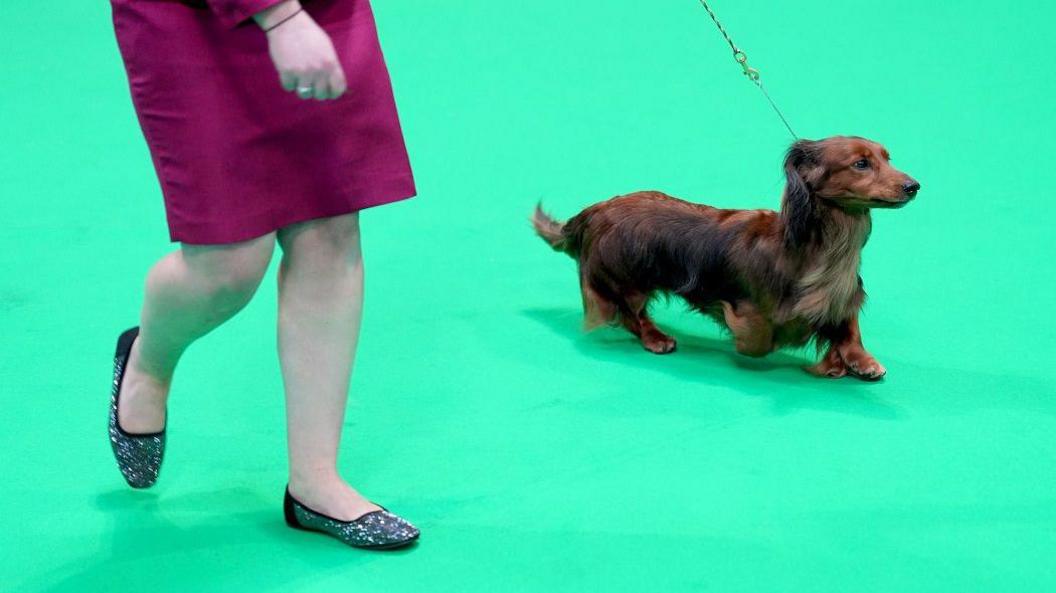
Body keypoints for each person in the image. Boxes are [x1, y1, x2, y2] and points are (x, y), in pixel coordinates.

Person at [106, 0, 419, 550]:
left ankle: (315, 481)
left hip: (325, 13)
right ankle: (148, 362)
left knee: (330, 222)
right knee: (226, 264)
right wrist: (279, 16)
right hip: (189, 21)